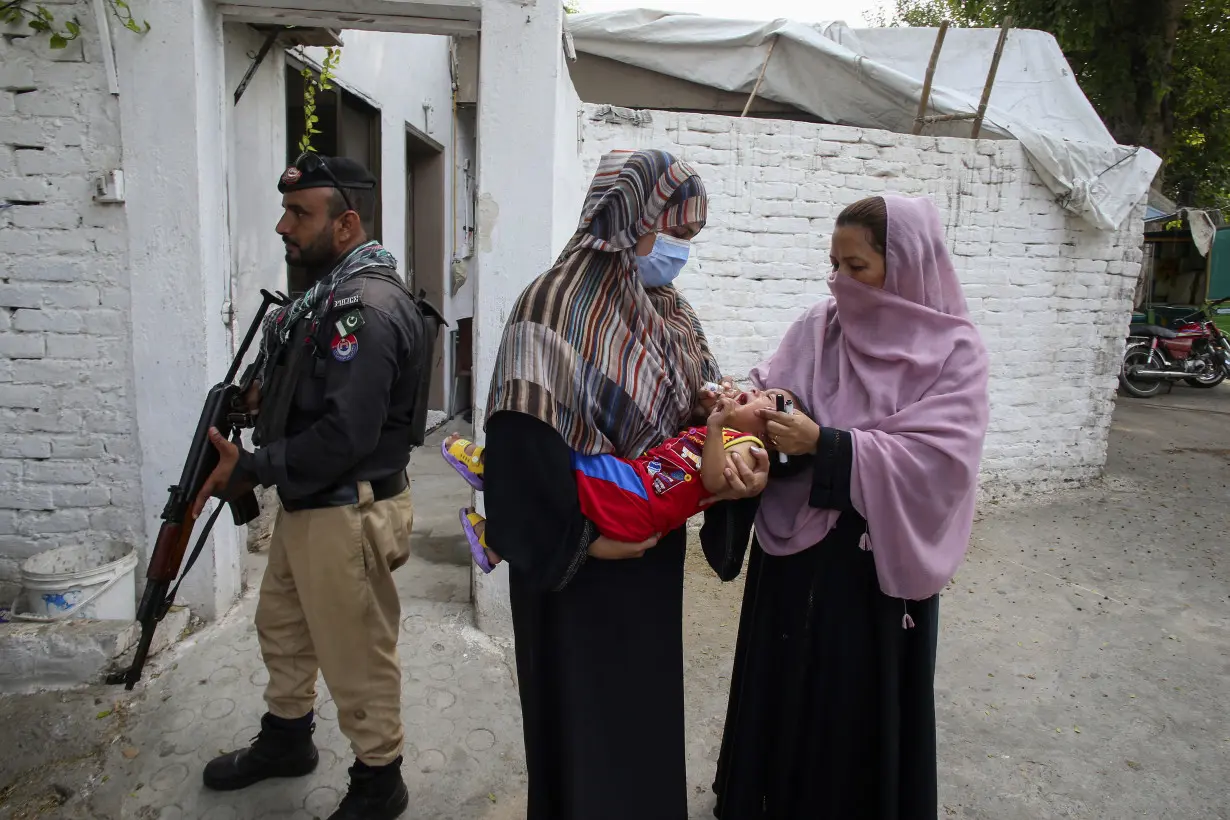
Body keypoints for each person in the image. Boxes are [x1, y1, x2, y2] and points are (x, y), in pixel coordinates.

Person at [482, 148, 769, 820]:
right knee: (580, 730)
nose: (676, 250)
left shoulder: (669, 310)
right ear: (627, 217)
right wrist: (581, 542)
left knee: (640, 719)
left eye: (687, 239)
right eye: (671, 231)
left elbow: (700, 400)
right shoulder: (550, 304)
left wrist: (729, 432)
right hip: (574, 564)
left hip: (647, 553)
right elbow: (520, 446)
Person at [701, 194, 991, 819]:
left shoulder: (954, 352)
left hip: (868, 570)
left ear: (906, 267)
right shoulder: (817, 326)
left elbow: (942, 465)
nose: (840, 281)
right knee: (782, 681)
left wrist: (828, 445)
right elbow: (777, 384)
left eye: (856, 266)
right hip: (792, 557)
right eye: (833, 264)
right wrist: (760, 411)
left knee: (848, 702)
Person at [190, 153, 437, 820]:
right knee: (285, 631)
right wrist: (257, 402)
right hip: (311, 504)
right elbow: (313, 388)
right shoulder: (322, 300)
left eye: (300, 214)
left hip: (347, 510)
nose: (282, 226)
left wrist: (254, 469)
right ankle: (287, 741)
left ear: (347, 224)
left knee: (356, 655)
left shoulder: (366, 307)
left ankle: (379, 782)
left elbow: (347, 434)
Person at [443, 388, 791, 571]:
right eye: (762, 389)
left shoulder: (749, 448)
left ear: (776, 434)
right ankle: (494, 543)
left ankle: (489, 467)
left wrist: (715, 427)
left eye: (770, 400)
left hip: (639, 497)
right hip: (638, 485)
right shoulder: (729, 432)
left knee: (562, 459)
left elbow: (715, 481)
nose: (758, 392)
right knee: (562, 477)